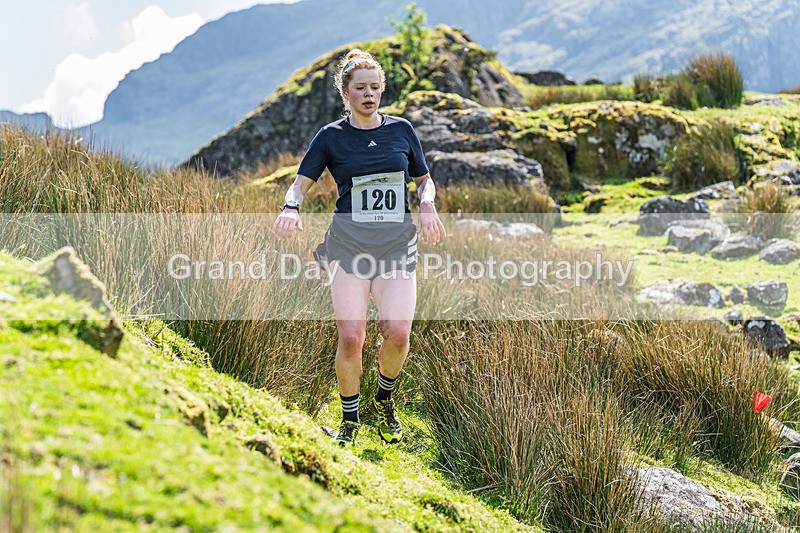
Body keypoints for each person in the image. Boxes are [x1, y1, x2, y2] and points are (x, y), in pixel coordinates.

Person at [273, 49, 445, 446]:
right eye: (360, 88)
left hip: (397, 246)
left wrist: (428, 203)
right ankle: (349, 423)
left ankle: (384, 400)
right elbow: (300, 182)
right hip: (348, 246)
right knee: (352, 337)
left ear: (382, 89)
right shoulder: (330, 136)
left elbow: (424, 179)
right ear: (346, 92)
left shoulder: (402, 130)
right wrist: (290, 206)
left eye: (375, 87)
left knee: (397, 332)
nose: (369, 94)